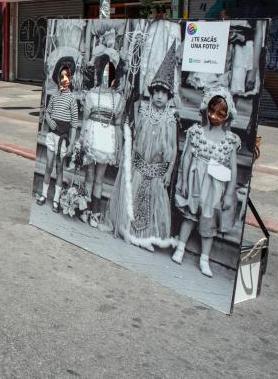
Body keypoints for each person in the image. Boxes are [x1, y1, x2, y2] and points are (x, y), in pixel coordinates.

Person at [110, 44, 178, 251]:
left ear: (169, 96)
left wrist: (169, 170)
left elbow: (173, 147)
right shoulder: (143, 112)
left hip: (157, 169)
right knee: (135, 200)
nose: (159, 96)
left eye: (163, 93)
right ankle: (133, 232)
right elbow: (135, 136)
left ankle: (149, 236)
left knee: (154, 204)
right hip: (140, 165)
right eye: (156, 91)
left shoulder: (171, 118)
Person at [171, 87, 240, 278]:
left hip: (215, 187)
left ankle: (204, 258)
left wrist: (228, 194)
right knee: (189, 216)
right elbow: (186, 158)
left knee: (208, 221)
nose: (215, 116)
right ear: (205, 109)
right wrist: (184, 180)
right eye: (211, 111)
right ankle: (181, 248)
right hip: (196, 180)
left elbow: (233, 169)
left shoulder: (229, 140)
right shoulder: (197, 133)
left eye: (220, 113)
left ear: (227, 116)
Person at [79, 53, 124, 229]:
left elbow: (118, 124)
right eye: (105, 74)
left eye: (111, 74)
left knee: (99, 177)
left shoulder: (117, 98)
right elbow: (85, 120)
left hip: (106, 140)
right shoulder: (91, 95)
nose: (107, 78)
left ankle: (95, 211)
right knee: (89, 175)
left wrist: (118, 147)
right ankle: (84, 207)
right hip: (92, 137)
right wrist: (81, 141)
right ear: (99, 74)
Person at [36, 57, 80, 213]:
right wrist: (49, 120)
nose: (64, 80)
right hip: (52, 136)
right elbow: (47, 112)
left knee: (59, 168)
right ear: (58, 79)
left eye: (67, 77)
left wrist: (72, 144)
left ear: (70, 78)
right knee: (48, 165)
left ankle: (56, 200)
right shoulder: (54, 95)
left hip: (63, 139)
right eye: (62, 77)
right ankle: (43, 195)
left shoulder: (72, 99)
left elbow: (74, 124)